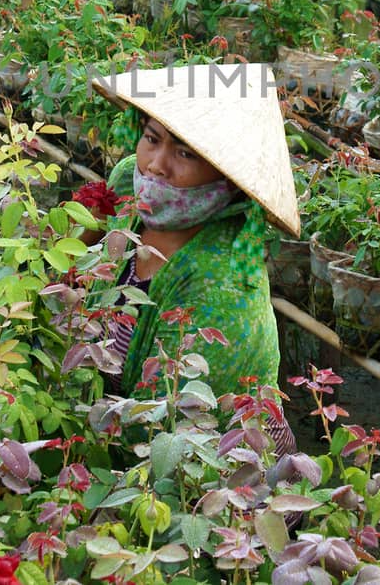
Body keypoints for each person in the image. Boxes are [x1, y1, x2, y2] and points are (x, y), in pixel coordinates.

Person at [84, 63, 299, 453]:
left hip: (207, 477)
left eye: (185, 153)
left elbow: (160, 435)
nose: (155, 165)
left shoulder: (222, 286)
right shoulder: (129, 186)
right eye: (152, 138)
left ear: (227, 178)